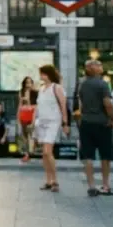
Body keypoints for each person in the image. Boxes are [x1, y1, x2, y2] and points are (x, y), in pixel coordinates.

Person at [78, 60, 113, 196]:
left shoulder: (82, 84)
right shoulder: (102, 84)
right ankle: (105, 185)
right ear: (92, 68)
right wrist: (112, 118)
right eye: (99, 65)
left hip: (86, 122)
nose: (101, 67)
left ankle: (91, 186)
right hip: (102, 123)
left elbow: (81, 104)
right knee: (105, 155)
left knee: (88, 155)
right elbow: (108, 104)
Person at [36, 65, 69, 193]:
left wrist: (65, 123)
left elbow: (63, 106)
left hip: (53, 122)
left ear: (47, 74)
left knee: (48, 151)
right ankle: (48, 180)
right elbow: (38, 107)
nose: (41, 76)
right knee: (44, 153)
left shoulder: (57, 88)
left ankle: (55, 180)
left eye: (42, 74)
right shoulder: (41, 89)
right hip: (42, 122)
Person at [17, 76, 38, 162]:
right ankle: (26, 153)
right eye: (27, 82)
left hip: (32, 114)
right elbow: (20, 105)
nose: (28, 84)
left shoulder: (35, 93)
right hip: (23, 114)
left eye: (30, 82)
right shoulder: (21, 92)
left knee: (31, 135)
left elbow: (36, 106)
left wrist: (28, 100)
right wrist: (18, 116)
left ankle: (30, 153)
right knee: (24, 135)